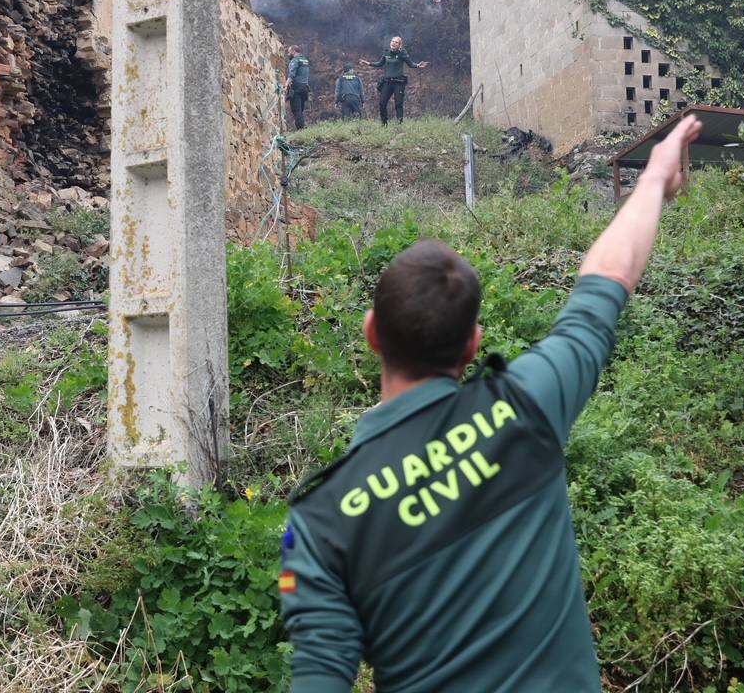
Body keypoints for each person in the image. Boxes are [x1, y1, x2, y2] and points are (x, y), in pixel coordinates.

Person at [280, 116, 704, 693]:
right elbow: (606, 280)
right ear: (474, 344)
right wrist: (653, 176)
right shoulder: (527, 404)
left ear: (372, 332)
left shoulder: (318, 525)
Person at [360, 36, 428, 125]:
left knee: (398, 104)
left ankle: (399, 124)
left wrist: (418, 65)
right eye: (392, 41)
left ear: (399, 45)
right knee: (382, 103)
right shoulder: (386, 53)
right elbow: (380, 63)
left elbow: (411, 64)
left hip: (398, 83)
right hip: (387, 82)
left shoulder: (402, 53)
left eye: (396, 42)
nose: (393, 43)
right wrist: (368, 63)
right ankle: (384, 124)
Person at [287, 46, 311, 130]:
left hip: (296, 88)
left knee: (296, 110)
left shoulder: (295, 60)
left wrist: (286, 86)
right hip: (305, 88)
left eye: (289, 52)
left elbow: (292, 74)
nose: (288, 54)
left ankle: (301, 129)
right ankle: (302, 127)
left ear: (293, 51)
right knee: (300, 109)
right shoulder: (306, 60)